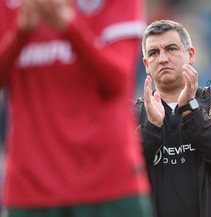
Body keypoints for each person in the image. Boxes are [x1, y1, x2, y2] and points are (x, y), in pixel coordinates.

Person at [0, 0, 152, 216]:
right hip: (32, 185)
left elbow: (117, 79)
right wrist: (20, 34)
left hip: (108, 181)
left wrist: (68, 27)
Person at [134, 20, 211, 217]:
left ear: (191, 55)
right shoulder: (132, 115)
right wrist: (152, 127)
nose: (162, 59)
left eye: (171, 49)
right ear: (146, 64)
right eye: (153, 53)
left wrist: (191, 110)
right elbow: (122, 170)